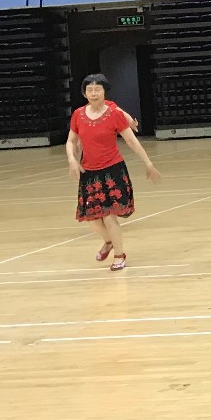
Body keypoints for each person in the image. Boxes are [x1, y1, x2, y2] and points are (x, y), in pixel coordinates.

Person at [66, 73, 160, 272]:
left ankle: (119, 255)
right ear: (84, 93)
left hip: (112, 170)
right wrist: (72, 159)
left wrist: (148, 163)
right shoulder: (78, 115)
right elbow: (71, 141)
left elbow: (131, 141)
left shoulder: (114, 113)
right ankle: (109, 241)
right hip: (89, 173)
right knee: (92, 219)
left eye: (97, 89)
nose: (93, 93)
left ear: (104, 92)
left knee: (109, 216)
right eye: (90, 90)